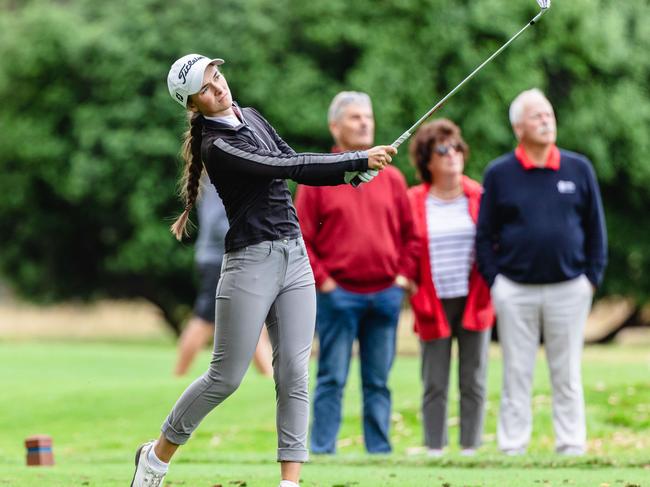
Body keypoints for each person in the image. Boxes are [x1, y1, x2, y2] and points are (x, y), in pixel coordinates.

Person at [130, 54, 396, 487]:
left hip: (295, 257)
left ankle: (289, 483)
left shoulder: (250, 116)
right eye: (206, 88)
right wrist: (356, 159)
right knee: (226, 377)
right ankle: (156, 458)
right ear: (193, 104)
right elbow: (283, 168)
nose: (218, 88)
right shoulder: (215, 145)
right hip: (249, 263)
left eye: (217, 77)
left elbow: (293, 160)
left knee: (294, 370)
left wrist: (350, 176)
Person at [476, 88, 607, 456]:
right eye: (537, 116)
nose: (546, 120)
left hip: (570, 288)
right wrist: (496, 282)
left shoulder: (578, 167)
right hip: (515, 289)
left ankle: (571, 444)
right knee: (517, 371)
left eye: (548, 114)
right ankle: (512, 446)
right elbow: (485, 235)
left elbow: (596, 229)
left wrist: (590, 279)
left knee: (566, 373)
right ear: (519, 127)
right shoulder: (499, 173)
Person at [294, 91, 419, 455]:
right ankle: (322, 450)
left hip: (385, 293)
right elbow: (302, 237)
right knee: (331, 377)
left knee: (378, 380)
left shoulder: (393, 179)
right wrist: (325, 282)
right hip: (338, 295)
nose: (364, 122)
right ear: (335, 127)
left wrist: (402, 279)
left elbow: (411, 236)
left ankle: (379, 452)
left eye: (368, 116)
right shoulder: (318, 177)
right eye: (354, 117)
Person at [406, 119, 494, 457]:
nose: (452, 154)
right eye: (443, 149)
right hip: (432, 299)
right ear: (428, 160)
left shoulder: (480, 195)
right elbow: (407, 247)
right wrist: (408, 279)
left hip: (474, 297)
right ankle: (435, 448)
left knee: (473, 378)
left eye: (456, 146)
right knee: (434, 380)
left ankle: (471, 447)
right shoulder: (414, 200)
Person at [173, 176, 273, 378]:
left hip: (233, 259)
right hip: (218, 260)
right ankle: (178, 377)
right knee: (205, 320)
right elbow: (216, 223)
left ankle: (269, 377)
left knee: (253, 319)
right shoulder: (219, 177)